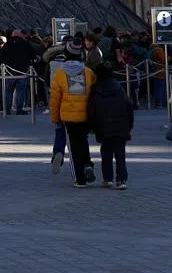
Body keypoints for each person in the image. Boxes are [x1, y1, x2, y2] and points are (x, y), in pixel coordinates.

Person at [49, 42, 96, 188]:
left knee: (73, 147)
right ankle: (87, 164)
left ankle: (79, 179)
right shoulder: (88, 73)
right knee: (83, 141)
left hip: (68, 116)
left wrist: (55, 117)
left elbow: (55, 99)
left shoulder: (60, 74)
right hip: (85, 114)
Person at [87, 61, 133, 189]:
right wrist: (129, 125)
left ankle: (107, 178)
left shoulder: (95, 90)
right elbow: (129, 107)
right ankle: (121, 179)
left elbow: (91, 110)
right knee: (120, 154)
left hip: (103, 127)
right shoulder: (119, 88)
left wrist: (91, 126)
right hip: (120, 126)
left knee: (106, 153)